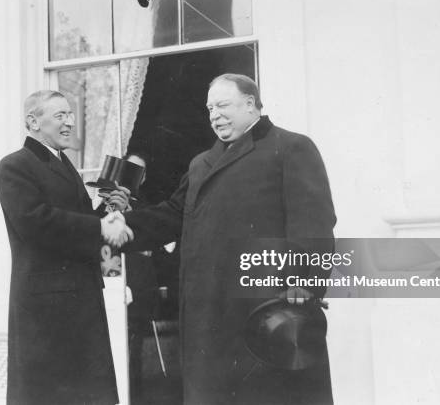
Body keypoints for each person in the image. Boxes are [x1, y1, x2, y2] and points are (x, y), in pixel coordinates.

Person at [119, 74, 337, 404]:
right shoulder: (200, 164)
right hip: (207, 319)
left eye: (223, 105)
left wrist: (303, 286)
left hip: (266, 315)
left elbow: (314, 226)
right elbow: (169, 216)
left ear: (251, 104)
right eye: (209, 109)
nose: (214, 115)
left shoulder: (291, 147)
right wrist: (114, 227)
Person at [0, 90, 132, 405]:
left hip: (77, 297)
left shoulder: (63, 164)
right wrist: (99, 226)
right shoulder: (15, 166)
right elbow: (35, 222)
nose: (70, 122)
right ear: (33, 121)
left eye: (70, 115)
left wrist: (110, 210)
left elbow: (76, 226)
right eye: (60, 116)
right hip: (47, 309)